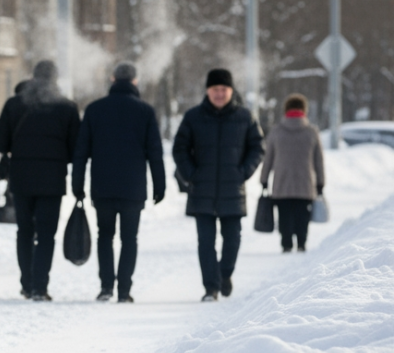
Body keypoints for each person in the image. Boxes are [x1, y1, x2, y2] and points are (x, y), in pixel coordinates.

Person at [71, 63, 166, 303]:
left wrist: (77, 183)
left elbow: (81, 152)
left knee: (105, 236)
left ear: (112, 79)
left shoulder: (94, 110)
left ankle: (106, 287)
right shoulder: (145, 111)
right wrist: (159, 184)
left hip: (102, 186)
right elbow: (155, 152)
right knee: (129, 238)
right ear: (135, 81)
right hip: (133, 188)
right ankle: (124, 290)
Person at [173, 68, 264, 302]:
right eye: (215, 89)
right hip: (201, 190)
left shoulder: (245, 117)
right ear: (208, 91)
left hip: (232, 190)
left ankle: (225, 273)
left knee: (232, 239)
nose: (219, 94)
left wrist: (243, 172)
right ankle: (210, 288)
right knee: (205, 241)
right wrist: (191, 173)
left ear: (231, 91)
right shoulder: (193, 117)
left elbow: (257, 147)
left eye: (223, 89)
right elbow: (180, 148)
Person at [0, 61, 80, 301]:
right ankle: (40, 287)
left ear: (33, 77)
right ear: (55, 79)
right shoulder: (67, 107)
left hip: (21, 180)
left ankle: (27, 284)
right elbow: (76, 150)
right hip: (52, 181)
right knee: (46, 234)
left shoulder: (14, 104)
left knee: (25, 231)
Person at [260, 94, 325, 253]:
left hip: (282, 183)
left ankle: (286, 243)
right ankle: (302, 243)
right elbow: (319, 160)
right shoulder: (311, 131)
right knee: (302, 216)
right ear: (304, 110)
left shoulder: (276, 131)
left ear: (286, 110)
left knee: (284, 215)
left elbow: (268, 158)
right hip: (305, 183)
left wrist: (264, 180)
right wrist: (321, 182)